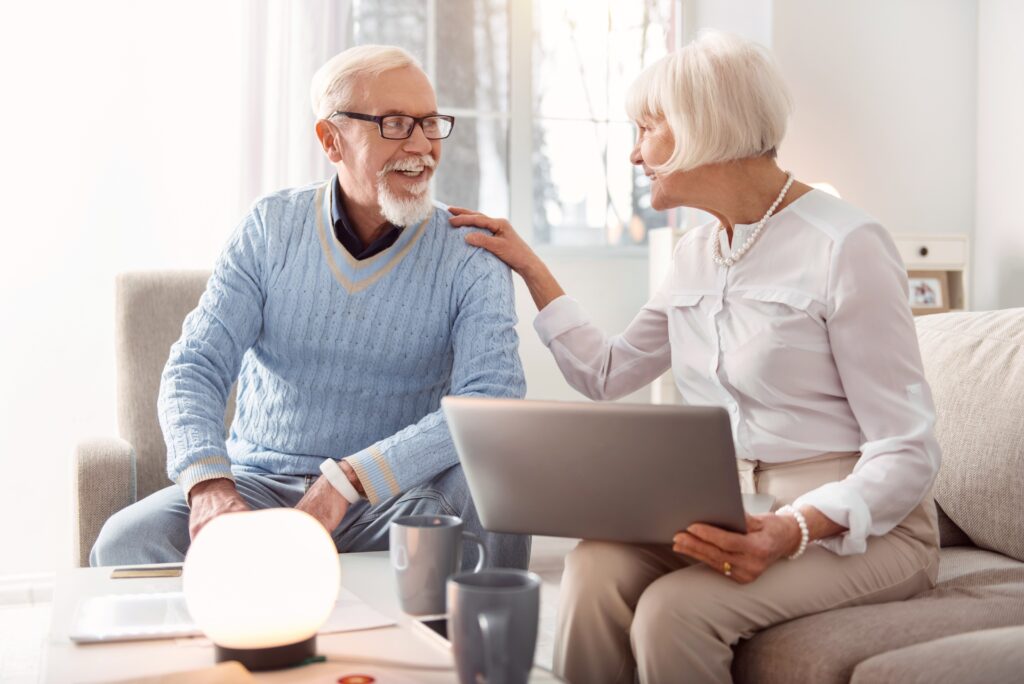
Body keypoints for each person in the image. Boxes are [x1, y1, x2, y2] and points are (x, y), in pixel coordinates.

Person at [449, 31, 940, 684]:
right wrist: (530, 267)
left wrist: (792, 529)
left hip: (862, 527)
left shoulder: (845, 245)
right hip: (731, 506)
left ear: (700, 129)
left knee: (673, 613)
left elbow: (908, 451)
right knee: (593, 565)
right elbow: (607, 374)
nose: (634, 153)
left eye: (646, 129)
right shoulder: (694, 253)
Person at [90, 45, 529, 571]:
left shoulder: (470, 252)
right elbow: (194, 367)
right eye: (394, 123)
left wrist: (349, 479)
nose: (422, 146)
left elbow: (490, 401)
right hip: (259, 489)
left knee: (494, 484)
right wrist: (210, 487)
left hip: (393, 500)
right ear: (330, 140)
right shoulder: (270, 227)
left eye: (429, 123)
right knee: (125, 542)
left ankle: (471, 655)